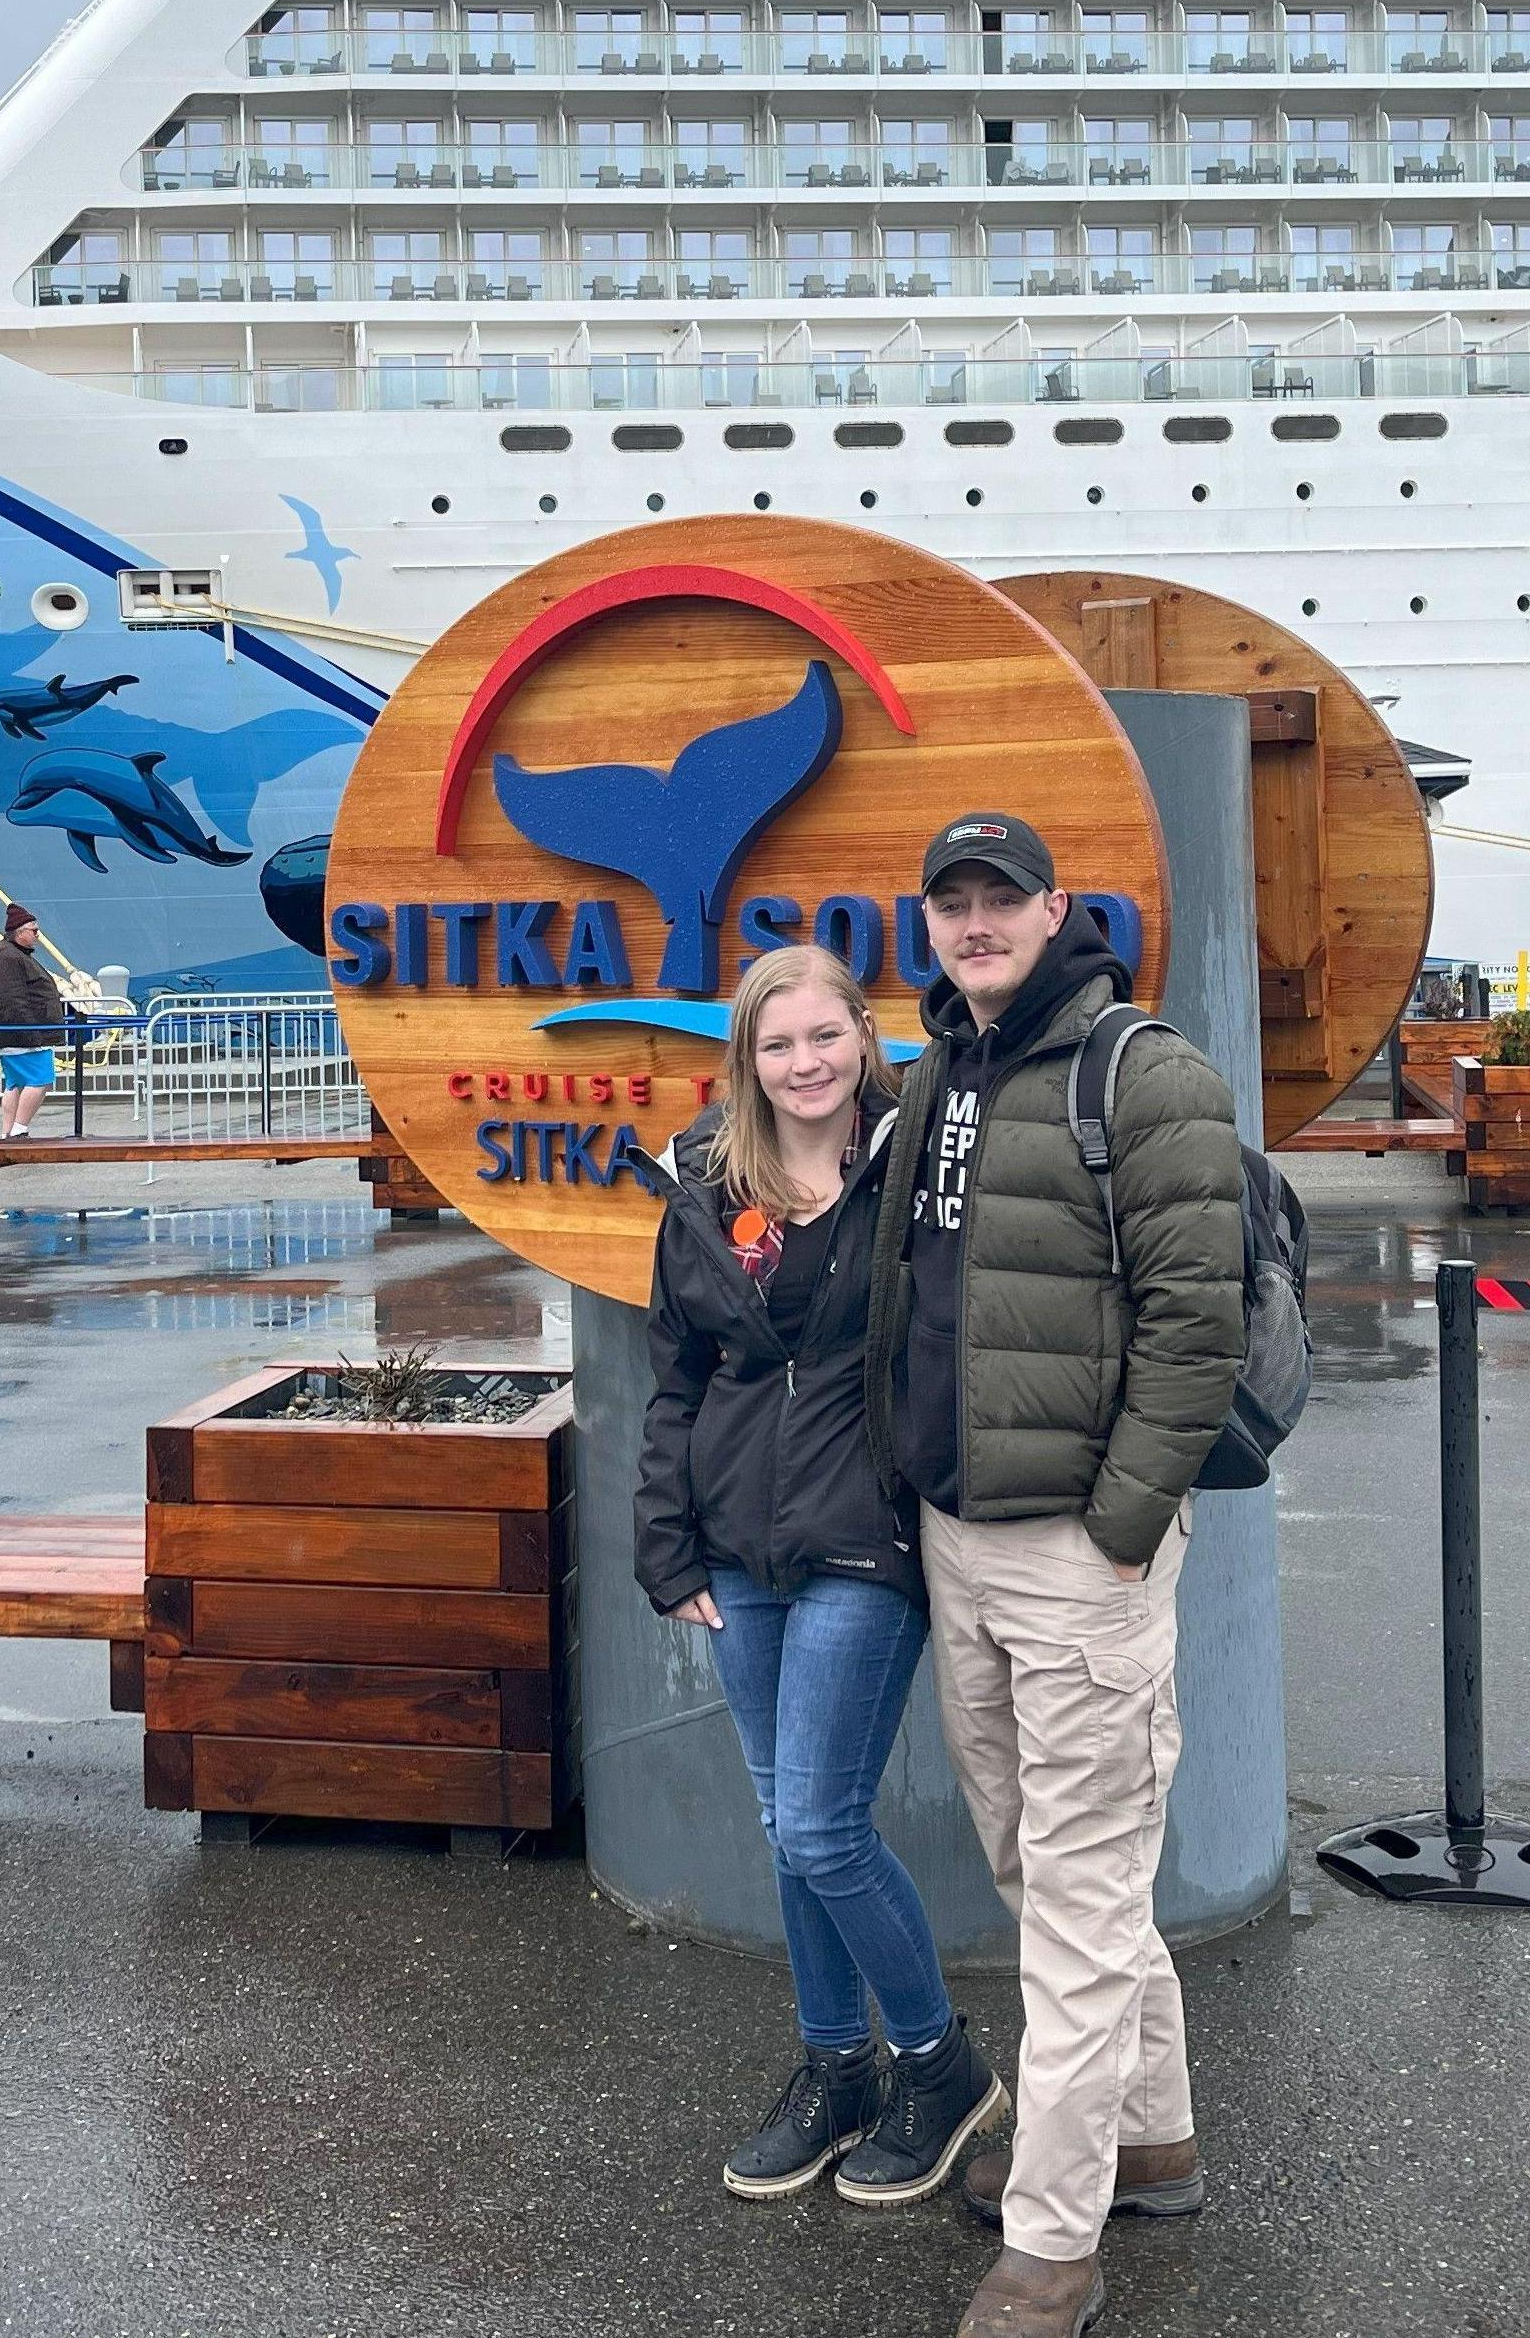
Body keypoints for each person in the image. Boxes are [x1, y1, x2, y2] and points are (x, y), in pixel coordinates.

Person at [865, 813, 1244, 2338]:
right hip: (958, 1536)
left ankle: (1052, 2238)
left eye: (997, 898)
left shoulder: (1141, 1073)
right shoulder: (938, 1069)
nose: (973, 921)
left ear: (1053, 908)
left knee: (1077, 1897)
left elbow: (1192, 1324)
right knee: (1040, 1869)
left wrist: (1119, 1524)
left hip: (1076, 1552)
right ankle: (1145, 2131)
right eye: (950, 900)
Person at [636, 946, 1004, 2209]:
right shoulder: (704, 1182)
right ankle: (835, 2065)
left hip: (866, 1531)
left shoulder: (916, 1164)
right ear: (747, 1059)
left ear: (863, 1035)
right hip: (737, 1544)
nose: (804, 1063)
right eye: (777, 1044)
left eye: (824, 1036)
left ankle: (939, 2067)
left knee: (818, 1820)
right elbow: (678, 1375)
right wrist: (664, 1538)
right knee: (787, 1822)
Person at [0, 904, 66, 1139]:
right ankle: (19, 1128)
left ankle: (8, 1131)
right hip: (22, 1037)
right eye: (34, 930)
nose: (38, 935)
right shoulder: (8, 957)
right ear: (19, 932)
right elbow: (13, 1000)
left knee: (15, 1084)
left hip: (14, 1036)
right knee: (41, 1080)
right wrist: (32, 1033)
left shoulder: (7, 954)